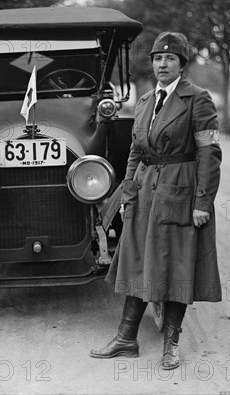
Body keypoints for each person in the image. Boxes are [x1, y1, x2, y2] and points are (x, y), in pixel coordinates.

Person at [90, 32, 222, 370]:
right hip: (146, 192)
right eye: (157, 58)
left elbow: (210, 153)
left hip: (180, 189)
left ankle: (170, 344)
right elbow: (135, 149)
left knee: (177, 265)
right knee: (137, 260)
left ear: (181, 64)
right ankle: (125, 338)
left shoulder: (198, 99)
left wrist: (202, 203)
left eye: (170, 58)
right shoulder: (146, 100)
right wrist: (127, 191)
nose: (162, 63)